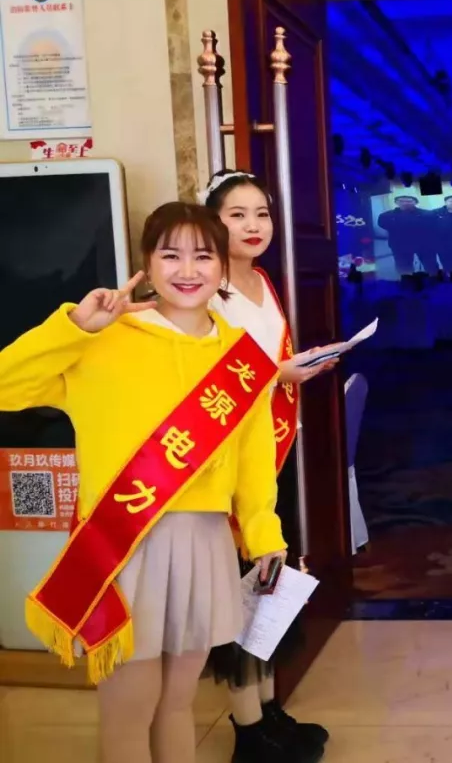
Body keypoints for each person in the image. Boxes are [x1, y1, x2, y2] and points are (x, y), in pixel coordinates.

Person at [2, 203, 286, 763]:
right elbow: (7, 387)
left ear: (222, 267)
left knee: (178, 702)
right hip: (121, 545)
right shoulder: (105, 339)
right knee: (129, 707)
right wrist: (74, 328)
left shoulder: (242, 359)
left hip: (203, 543)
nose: (188, 270)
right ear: (147, 264)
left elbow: (254, 463)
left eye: (203, 256)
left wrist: (263, 535)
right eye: (170, 255)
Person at [201, 169, 336, 763]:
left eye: (262, 213)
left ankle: (269, 710)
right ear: (212, 222)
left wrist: (295, 369)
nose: (253, 225)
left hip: (274, 451)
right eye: (237, 214)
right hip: (228, 463)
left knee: (270, 582)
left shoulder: (261, 281)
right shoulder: (203, 290)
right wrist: (279, 373)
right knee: (240, 587)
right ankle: (248, 730)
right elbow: (208, 380)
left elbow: (265, 364)